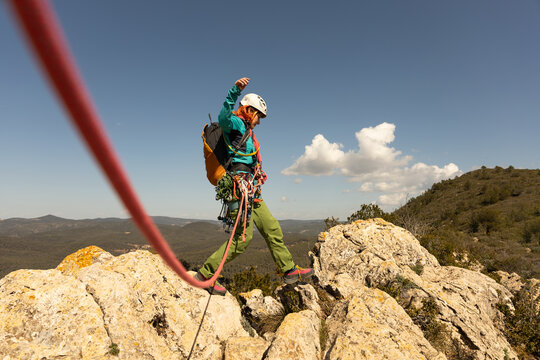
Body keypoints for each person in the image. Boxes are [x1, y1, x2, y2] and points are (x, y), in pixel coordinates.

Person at [195, 77, 313, 295]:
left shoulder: (249, 132)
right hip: (238, 190)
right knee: (242, 239)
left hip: (251, 190)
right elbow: (223, 117)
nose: (259, 121)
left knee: (271, 228)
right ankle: (205, 275)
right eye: (258, 115)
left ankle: (288, 269)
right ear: (248, 110)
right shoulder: (237, 124)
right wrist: (234, 91)